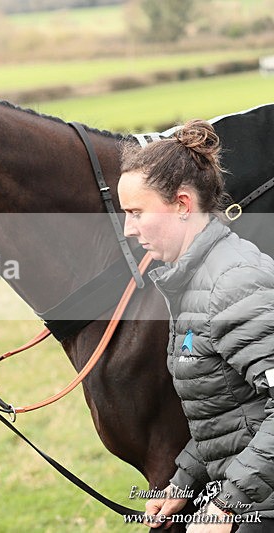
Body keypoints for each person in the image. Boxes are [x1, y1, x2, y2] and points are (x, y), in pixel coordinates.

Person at [118, 119, 274, 532]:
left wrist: (226, 508)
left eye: (136, 213)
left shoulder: (234, 282)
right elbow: (227, 413)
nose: (128, 229)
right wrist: (181, 484)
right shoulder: (191, 283)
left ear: (183, 205)